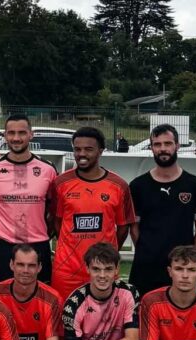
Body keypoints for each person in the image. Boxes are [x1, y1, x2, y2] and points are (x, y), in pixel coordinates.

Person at [50, 126, 136, 300]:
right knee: (64, 321)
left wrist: (107, 256)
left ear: (101, 151)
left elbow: (123, 228)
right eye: (77, 149)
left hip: (103, 272)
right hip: (67, 270)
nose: (82, 154)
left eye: (88, 149)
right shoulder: (60, 183)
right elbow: (57, 223)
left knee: (104, 323)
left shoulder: (119, 185)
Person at [129, 123, 196, 296]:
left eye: (167, 144)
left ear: (177, 146)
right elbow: (134, 227)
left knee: (183, 318)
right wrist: (145, 250)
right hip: (146, 266)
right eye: (157, 144)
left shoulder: (195, 184)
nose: (163, 149)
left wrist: (192, 256)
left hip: (182, 267)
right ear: (151, 148)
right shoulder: (138, 186)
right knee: (144, 317)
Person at [0, 113, 57, 285]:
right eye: (11, 133)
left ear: (31, 134)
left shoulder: (48, 170)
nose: (16, 138)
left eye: (22, 133)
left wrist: (43, 232)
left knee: (41, 299)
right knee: (0, 299)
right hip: (4, 245)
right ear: (5, 136)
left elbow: (53, 211)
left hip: (38, 244)